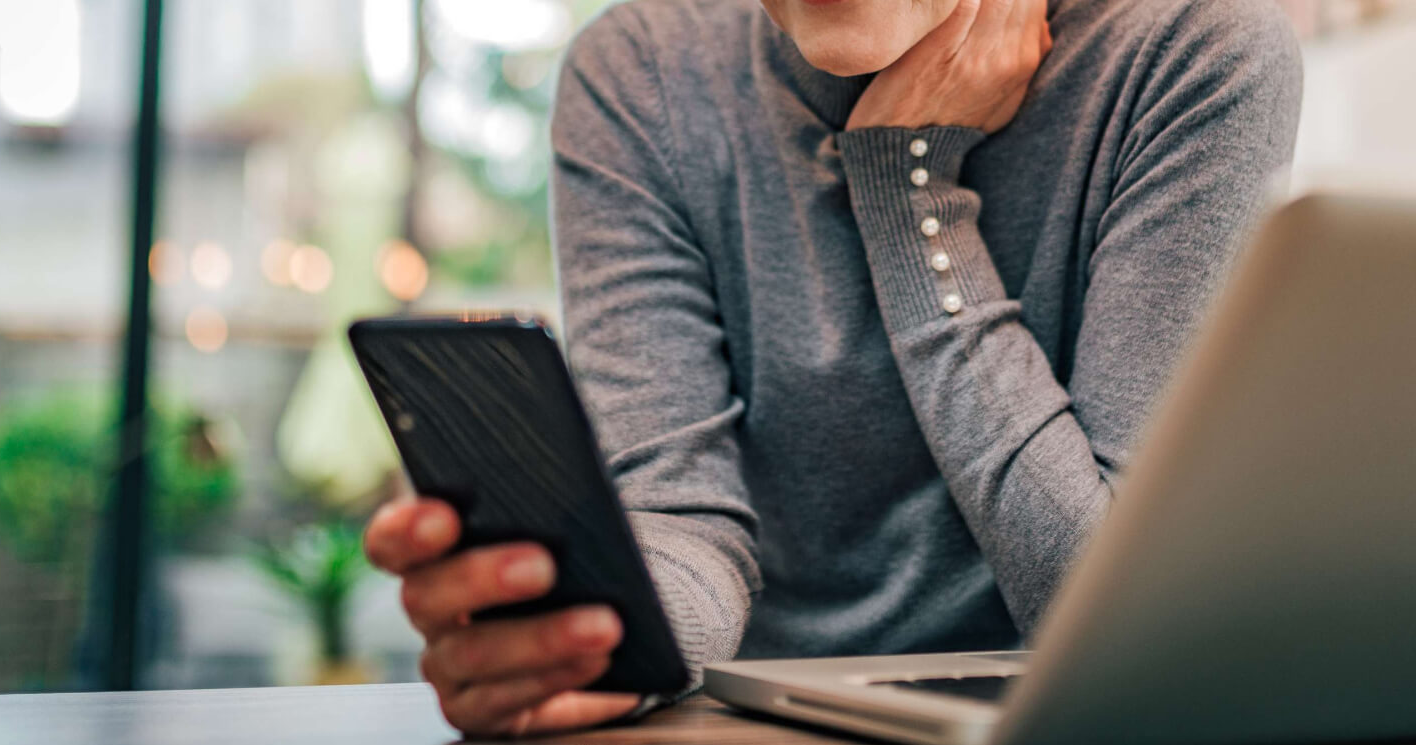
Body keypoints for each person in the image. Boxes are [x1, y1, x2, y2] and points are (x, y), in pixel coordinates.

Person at [365, 0, 1303, 736]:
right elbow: (679, 518)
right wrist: (600, 635)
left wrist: (910, 190)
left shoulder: (1194, 52)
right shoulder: (643, 76)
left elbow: (1109, 610)